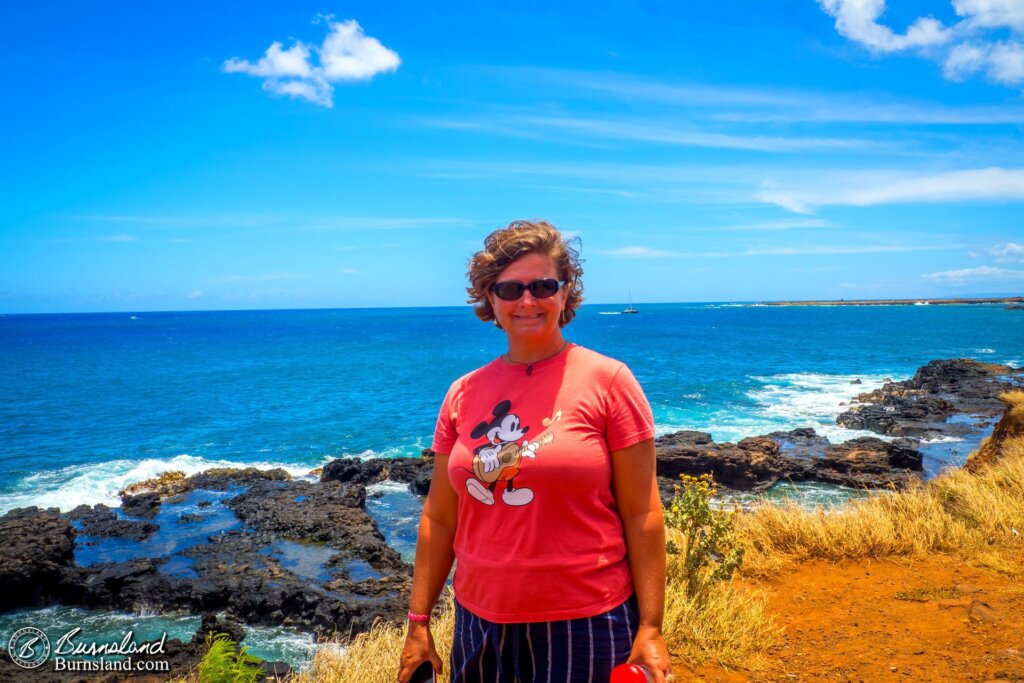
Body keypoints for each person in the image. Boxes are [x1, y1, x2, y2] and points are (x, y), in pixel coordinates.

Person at [397, 220, 672, 683]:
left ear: (566, 293)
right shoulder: (463, 393)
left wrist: (650, 627)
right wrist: (419, 623)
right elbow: (440, 517)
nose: (527, 301)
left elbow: (641, 513)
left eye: (544, 285)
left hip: (588, 621)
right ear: (490, 299)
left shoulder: (609, 382)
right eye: (509, 289)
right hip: (479, 623)